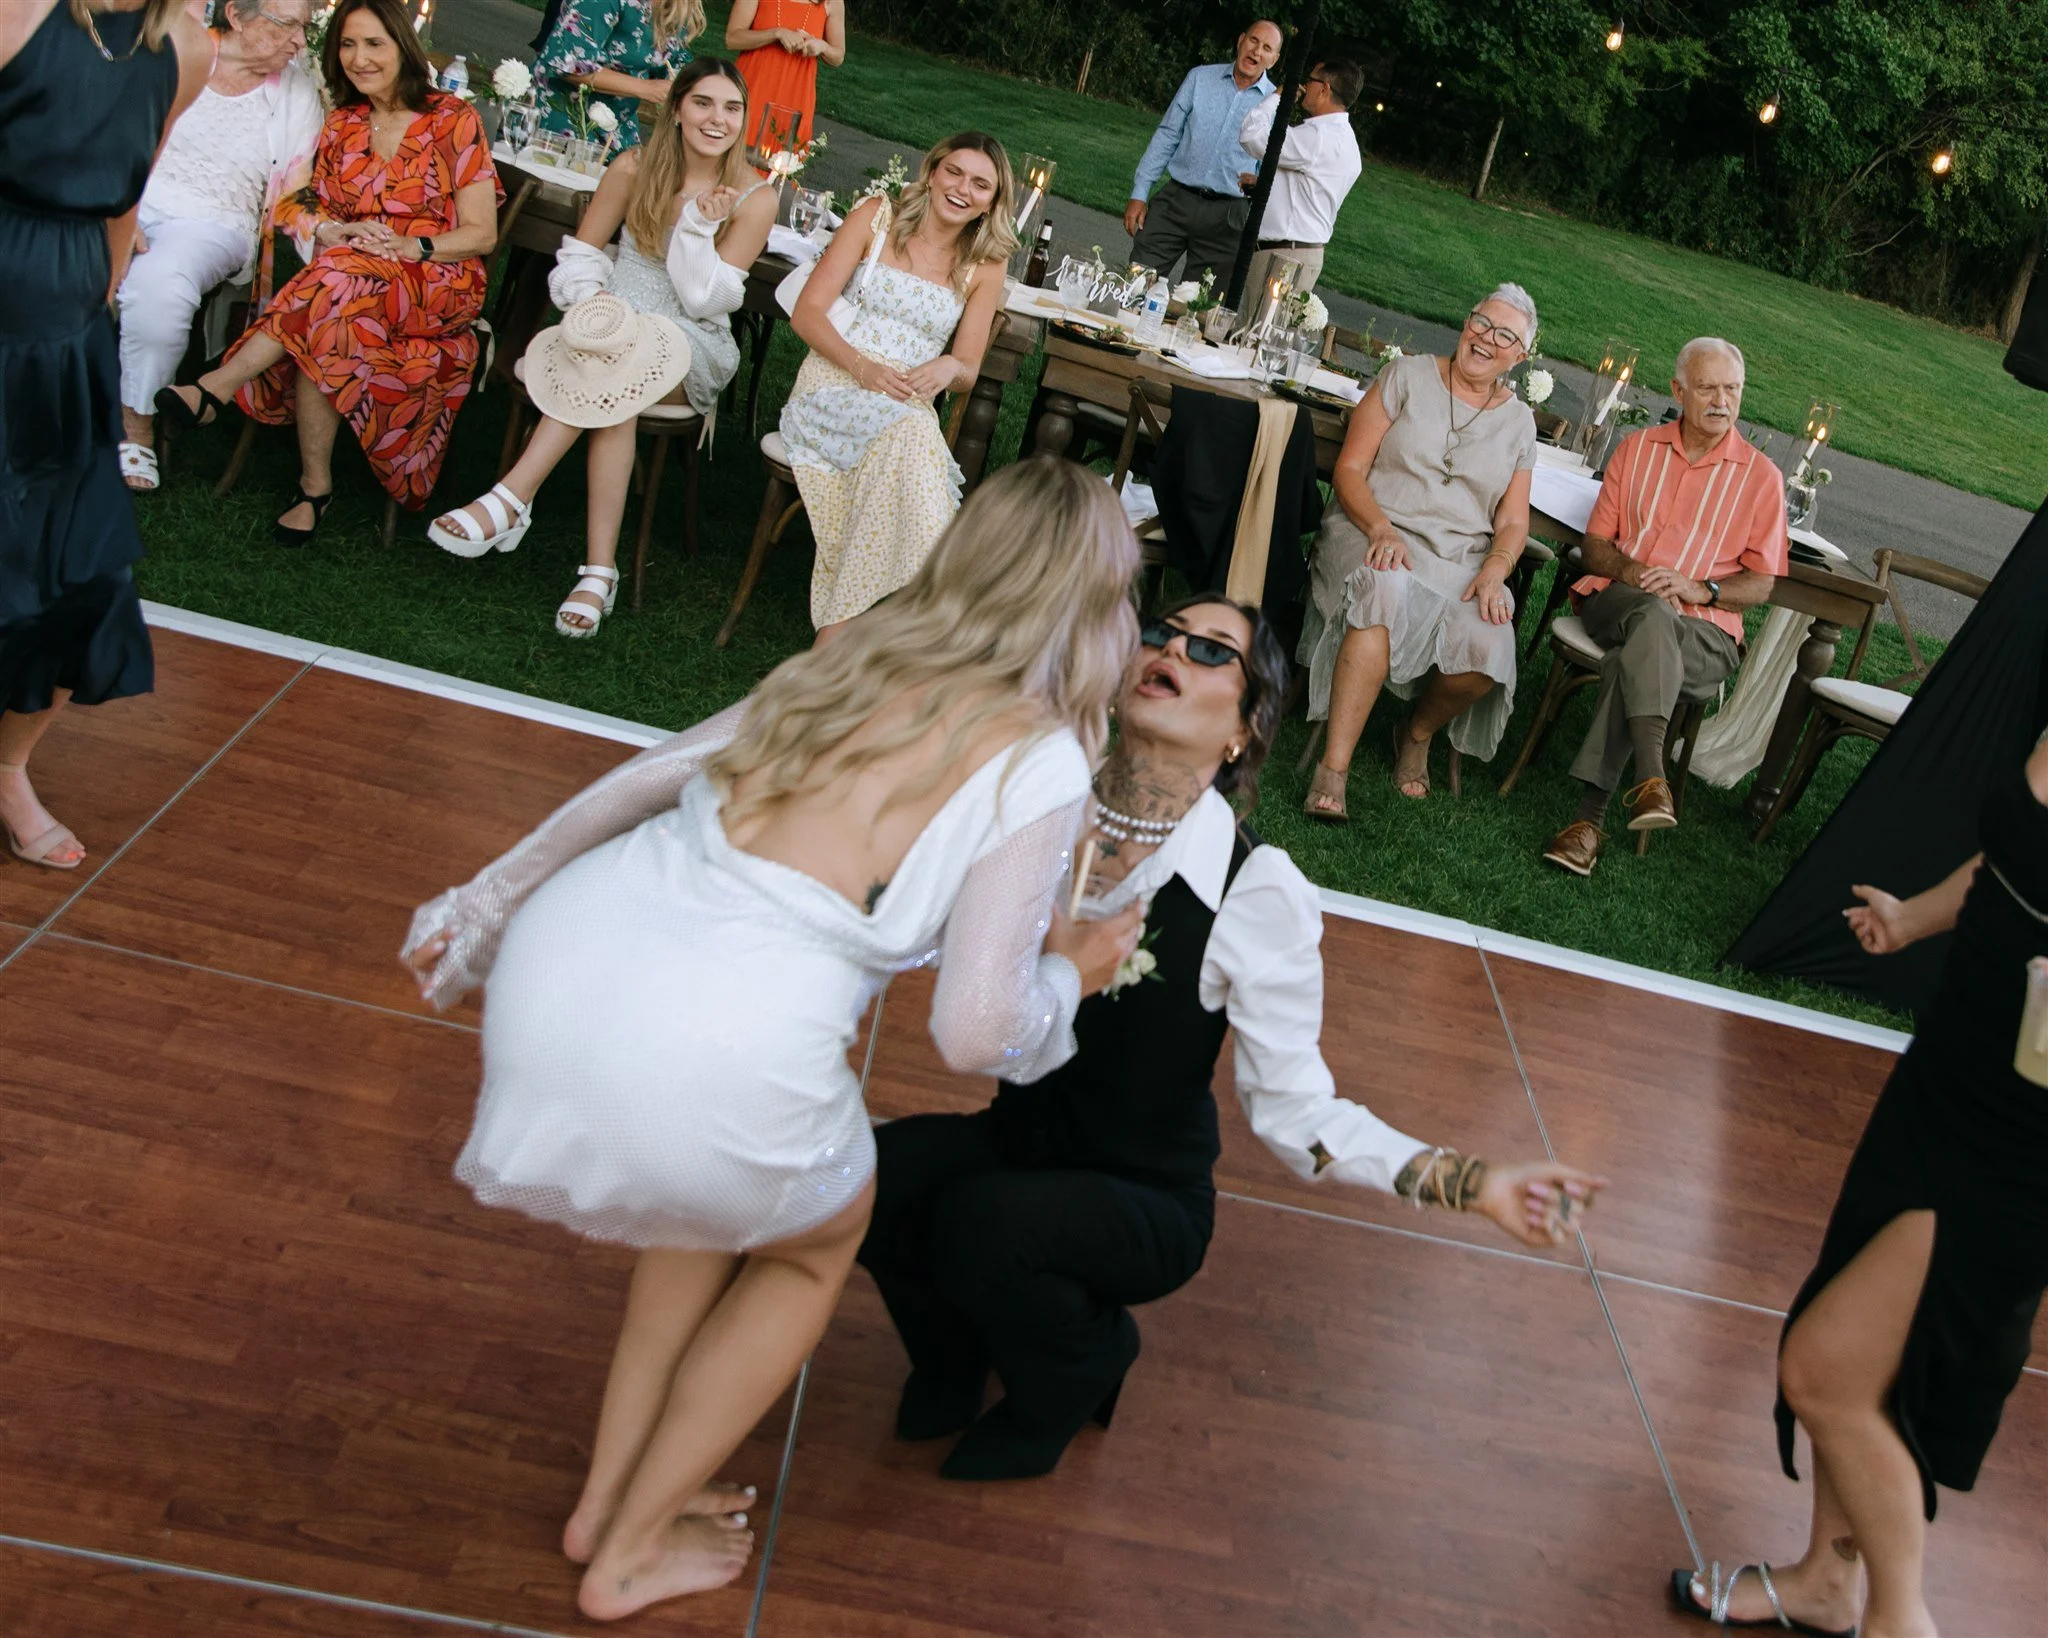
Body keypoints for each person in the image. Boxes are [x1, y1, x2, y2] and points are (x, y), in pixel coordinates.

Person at [401, 459, 1144, 1620]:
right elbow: (973, 1028)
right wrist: (1073, 968)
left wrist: (485, 903)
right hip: (714, 1035)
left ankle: (609, 1502)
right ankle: (631, 1550)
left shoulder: (858, 651)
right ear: (1099, 605)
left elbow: (647, 775)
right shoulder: (1037, 755)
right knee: (808, 1243)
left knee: (701, 1221)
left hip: (577, 955)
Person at [859, 596, 1605, 1481]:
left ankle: (1079, 1369)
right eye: (1159, 632)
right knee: (861, 1182)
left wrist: (1473, 1184)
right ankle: (951, 1359)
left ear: (1244, 731)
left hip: (1143, 1201)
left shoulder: (1253, 891)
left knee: (986, 1226)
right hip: (1017, 1140)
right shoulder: (1043, 813)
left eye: (1212, 650)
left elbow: (1298, 1111)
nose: (1170, 646)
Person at [1673, 728, 2048, 1638]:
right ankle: (1826, 1584)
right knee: (1864, 1357)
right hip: (1944, 1082)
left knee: (1826, 1372)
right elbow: (2010, 863)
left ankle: (1900, 1618)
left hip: (2018, 1142)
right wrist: (1909, 918)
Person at [429, 59, 776, 637]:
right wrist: (592, 309)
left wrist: (694, 228)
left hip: (692, 340)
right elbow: (583, 254)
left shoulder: (753, 196)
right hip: (616, 324)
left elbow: (705, 300)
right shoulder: (634, 165)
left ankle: (513, 496)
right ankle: (599, 571)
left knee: (622, 364)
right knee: (617, 379)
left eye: (732, 108)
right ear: (677, 108)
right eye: (704, 104)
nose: (718, 120)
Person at [155, 0, 502, 541]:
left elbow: (482, 233)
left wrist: (413, 247)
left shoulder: (453, 119)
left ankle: (218, 386)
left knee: (337, 283)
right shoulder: (343, 123)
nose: (359, 59)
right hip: (350, 277)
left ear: (402, 49)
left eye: (373, 44)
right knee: (335, 301)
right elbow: (312, 207)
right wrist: (337, 231)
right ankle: (313, 486)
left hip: (439, 275)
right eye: (347, 44)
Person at [0, 0, 207, 872]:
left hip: (68, 320)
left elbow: (128, 192)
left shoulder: (185, 48)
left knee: (77, 572)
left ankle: (7, 771)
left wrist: (100, 299)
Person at [1540, 337, 1786, 877]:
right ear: (1678, 390)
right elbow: (1594, 547)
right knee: (1652, 613)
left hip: (1706, 635)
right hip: (1619, 602)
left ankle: (1589, 823)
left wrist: (1703, 590)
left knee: (1644, 648)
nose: (1722, 401)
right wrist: (1632, 572)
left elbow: (1762, 584)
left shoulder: (1762, 477)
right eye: (1707, 388)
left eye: (1732, 389)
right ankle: (1653, 774)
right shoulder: (1636, 450)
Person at [1300, 285, 1539, 820]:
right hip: (1372, 529)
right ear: (1466, 319)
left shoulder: (1519, 424)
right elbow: (1350, 470)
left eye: (1505, 336)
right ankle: (1333, 769)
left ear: (1519, 357)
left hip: (1460, 558)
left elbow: (1513, 520)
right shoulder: (1406, 375)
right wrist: (1381, 528)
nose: (1486, 339)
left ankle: (1415, 731)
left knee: (1490, 642)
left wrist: (1497, 569)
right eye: (1481, 322)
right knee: (1381, 586)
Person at [782, 131, 1015, 640]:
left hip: (905, 402)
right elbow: (807, 314)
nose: (961, 189)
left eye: (980, 185)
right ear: (932, 171)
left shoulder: (985, 265)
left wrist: (948, 367)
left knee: (902, 447)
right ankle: (937, 613)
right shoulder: (876, 217)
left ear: (992, 203)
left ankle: (839, 639)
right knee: (911, 443)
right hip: (834, 383)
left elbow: (970, 365)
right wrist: (863, 369)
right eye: (954, 172)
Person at [113, 0, 321, 494]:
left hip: (214, 223)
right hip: (127, 200)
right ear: (237, 14)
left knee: (162, 284)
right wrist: (118, 214)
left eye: (304, 28)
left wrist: (325, 228)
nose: (299, 41)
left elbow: (295, 192)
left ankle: (135, 425)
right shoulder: (174, 49)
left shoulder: (296, 91)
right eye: (287, 25)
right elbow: (113, 133)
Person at [1125, 20, 1280, 287]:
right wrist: (1140, 192)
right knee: (1134, 285)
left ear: (1274, 60)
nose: (1257, 51)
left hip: (1228, 218)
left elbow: (1272, 164)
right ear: (1241, 40)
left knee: (1197, 309)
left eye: (1267, 48)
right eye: (1254, 40)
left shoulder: (1274, 103)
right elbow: (1168, 134)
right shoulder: (1199, 78)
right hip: (1175, 201)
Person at [1234, 56, 1362, 302]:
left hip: (1283, 257)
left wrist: (1277, 98)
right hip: (1305, 251)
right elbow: (1312, 190)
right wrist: (1268, 186)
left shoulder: (1316, 136)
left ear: (1324, 89)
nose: (1306, 85)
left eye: (1311, 80)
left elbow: (1251, 136)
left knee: (1255, 336)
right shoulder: (1347, 141)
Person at [533, 0, 700, 150]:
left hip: (615, 126)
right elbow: (565, 62)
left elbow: (675, 61)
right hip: (561, 114)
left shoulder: (678, 6)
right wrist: (647, 88)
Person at [724, 0, 842, 149]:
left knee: (782, 161)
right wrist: (776, 33)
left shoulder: (833, 2)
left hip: (796, 95)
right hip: (753, 85)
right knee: (734, 151)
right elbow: (732, 39)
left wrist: (822, 46)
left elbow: (838, 56)